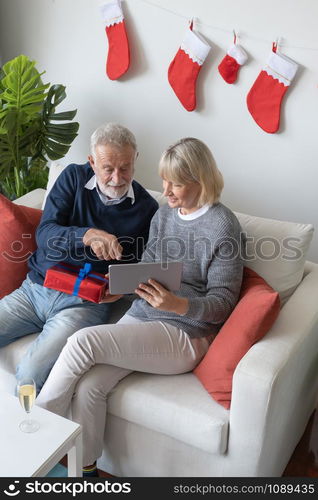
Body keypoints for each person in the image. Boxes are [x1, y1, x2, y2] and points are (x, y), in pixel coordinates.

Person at [36, 137, 244, 476]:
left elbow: (223, 303)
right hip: (145, 315)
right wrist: (123, 291)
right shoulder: (164, 214)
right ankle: (84, 470)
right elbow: (148, 269)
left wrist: (178, 304)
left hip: (186, 333)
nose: (167, 190)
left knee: (83, 341)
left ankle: (39, 431)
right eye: (164, 180)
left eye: (175, 183)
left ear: (200, 181)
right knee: (90, 386)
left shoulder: (223, 226)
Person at [0, 123, 158, 392]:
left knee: (30, 372)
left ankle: (23, 431)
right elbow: (45, 235)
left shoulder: (147, 208)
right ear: (92, 162)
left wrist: (120, 290)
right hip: (35, 290)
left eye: (125, 167)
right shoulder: (73, 178)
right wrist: (86, 235)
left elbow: (141, 269)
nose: (117, 178)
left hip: (83, 305)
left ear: (135, 160)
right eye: (108, 168)